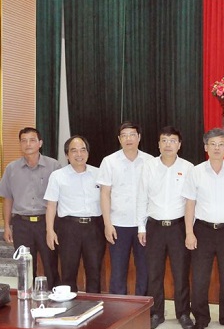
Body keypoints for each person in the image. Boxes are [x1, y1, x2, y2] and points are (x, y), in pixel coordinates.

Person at [182, 128, 224, 329]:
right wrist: (189, 232)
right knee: (200, 278)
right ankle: (201, 317)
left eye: (221, 144)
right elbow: (189, 204)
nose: (217, 148)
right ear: (206, 147)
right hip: (202, 230)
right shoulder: (196, 172)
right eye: (213, 144)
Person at [136, 126, 194, 329]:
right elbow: (142, 197)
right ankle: (156, 313)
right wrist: (141, 227)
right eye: (164, 140)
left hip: (178, 227)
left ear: (179, 145)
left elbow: (191, 201)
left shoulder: (188, 168)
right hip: (155, 227)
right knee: (154, 273)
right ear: (158, 144)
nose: (168, 144)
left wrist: (190, 230)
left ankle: (183, 313)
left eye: (172, 140)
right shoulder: (149, 166)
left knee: (181, 273)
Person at [98, 121, 153, 296]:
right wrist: (107, 224)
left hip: (144, 225)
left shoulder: (150, 161)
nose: (128, 139)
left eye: (132, 135)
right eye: (124, 135)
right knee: (118, 271)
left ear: (139, 137)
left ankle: (143, 307)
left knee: (145, 270)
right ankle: (118, 308)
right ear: (119, 139)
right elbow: (104, 194)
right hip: (118, 225)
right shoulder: (109, 161)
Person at [44, 136, 104, 293]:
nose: (79, 154)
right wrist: (50, 230)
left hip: (94, 227)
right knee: (68, 272)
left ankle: (94, 304)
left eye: (83, 150)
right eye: (74, 151)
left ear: (88, 153)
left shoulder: (99, 174)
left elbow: (107, 200)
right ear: (67, 155)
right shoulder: (57, 176)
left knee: (94, 271)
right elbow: (51, 205)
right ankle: (69, 305)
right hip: (68, 228)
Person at [0, 127, 60, 286]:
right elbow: (7, 198)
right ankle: (26, 298)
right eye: (24, 141)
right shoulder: (11, 169)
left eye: (32, 140)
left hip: (46, 223)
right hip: (21, 224)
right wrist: (7, 226)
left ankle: (54, 297)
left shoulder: (54, 166)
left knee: (51, 264)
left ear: (40, 143)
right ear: (20, 144)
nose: (28, 144)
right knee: (24, 268)